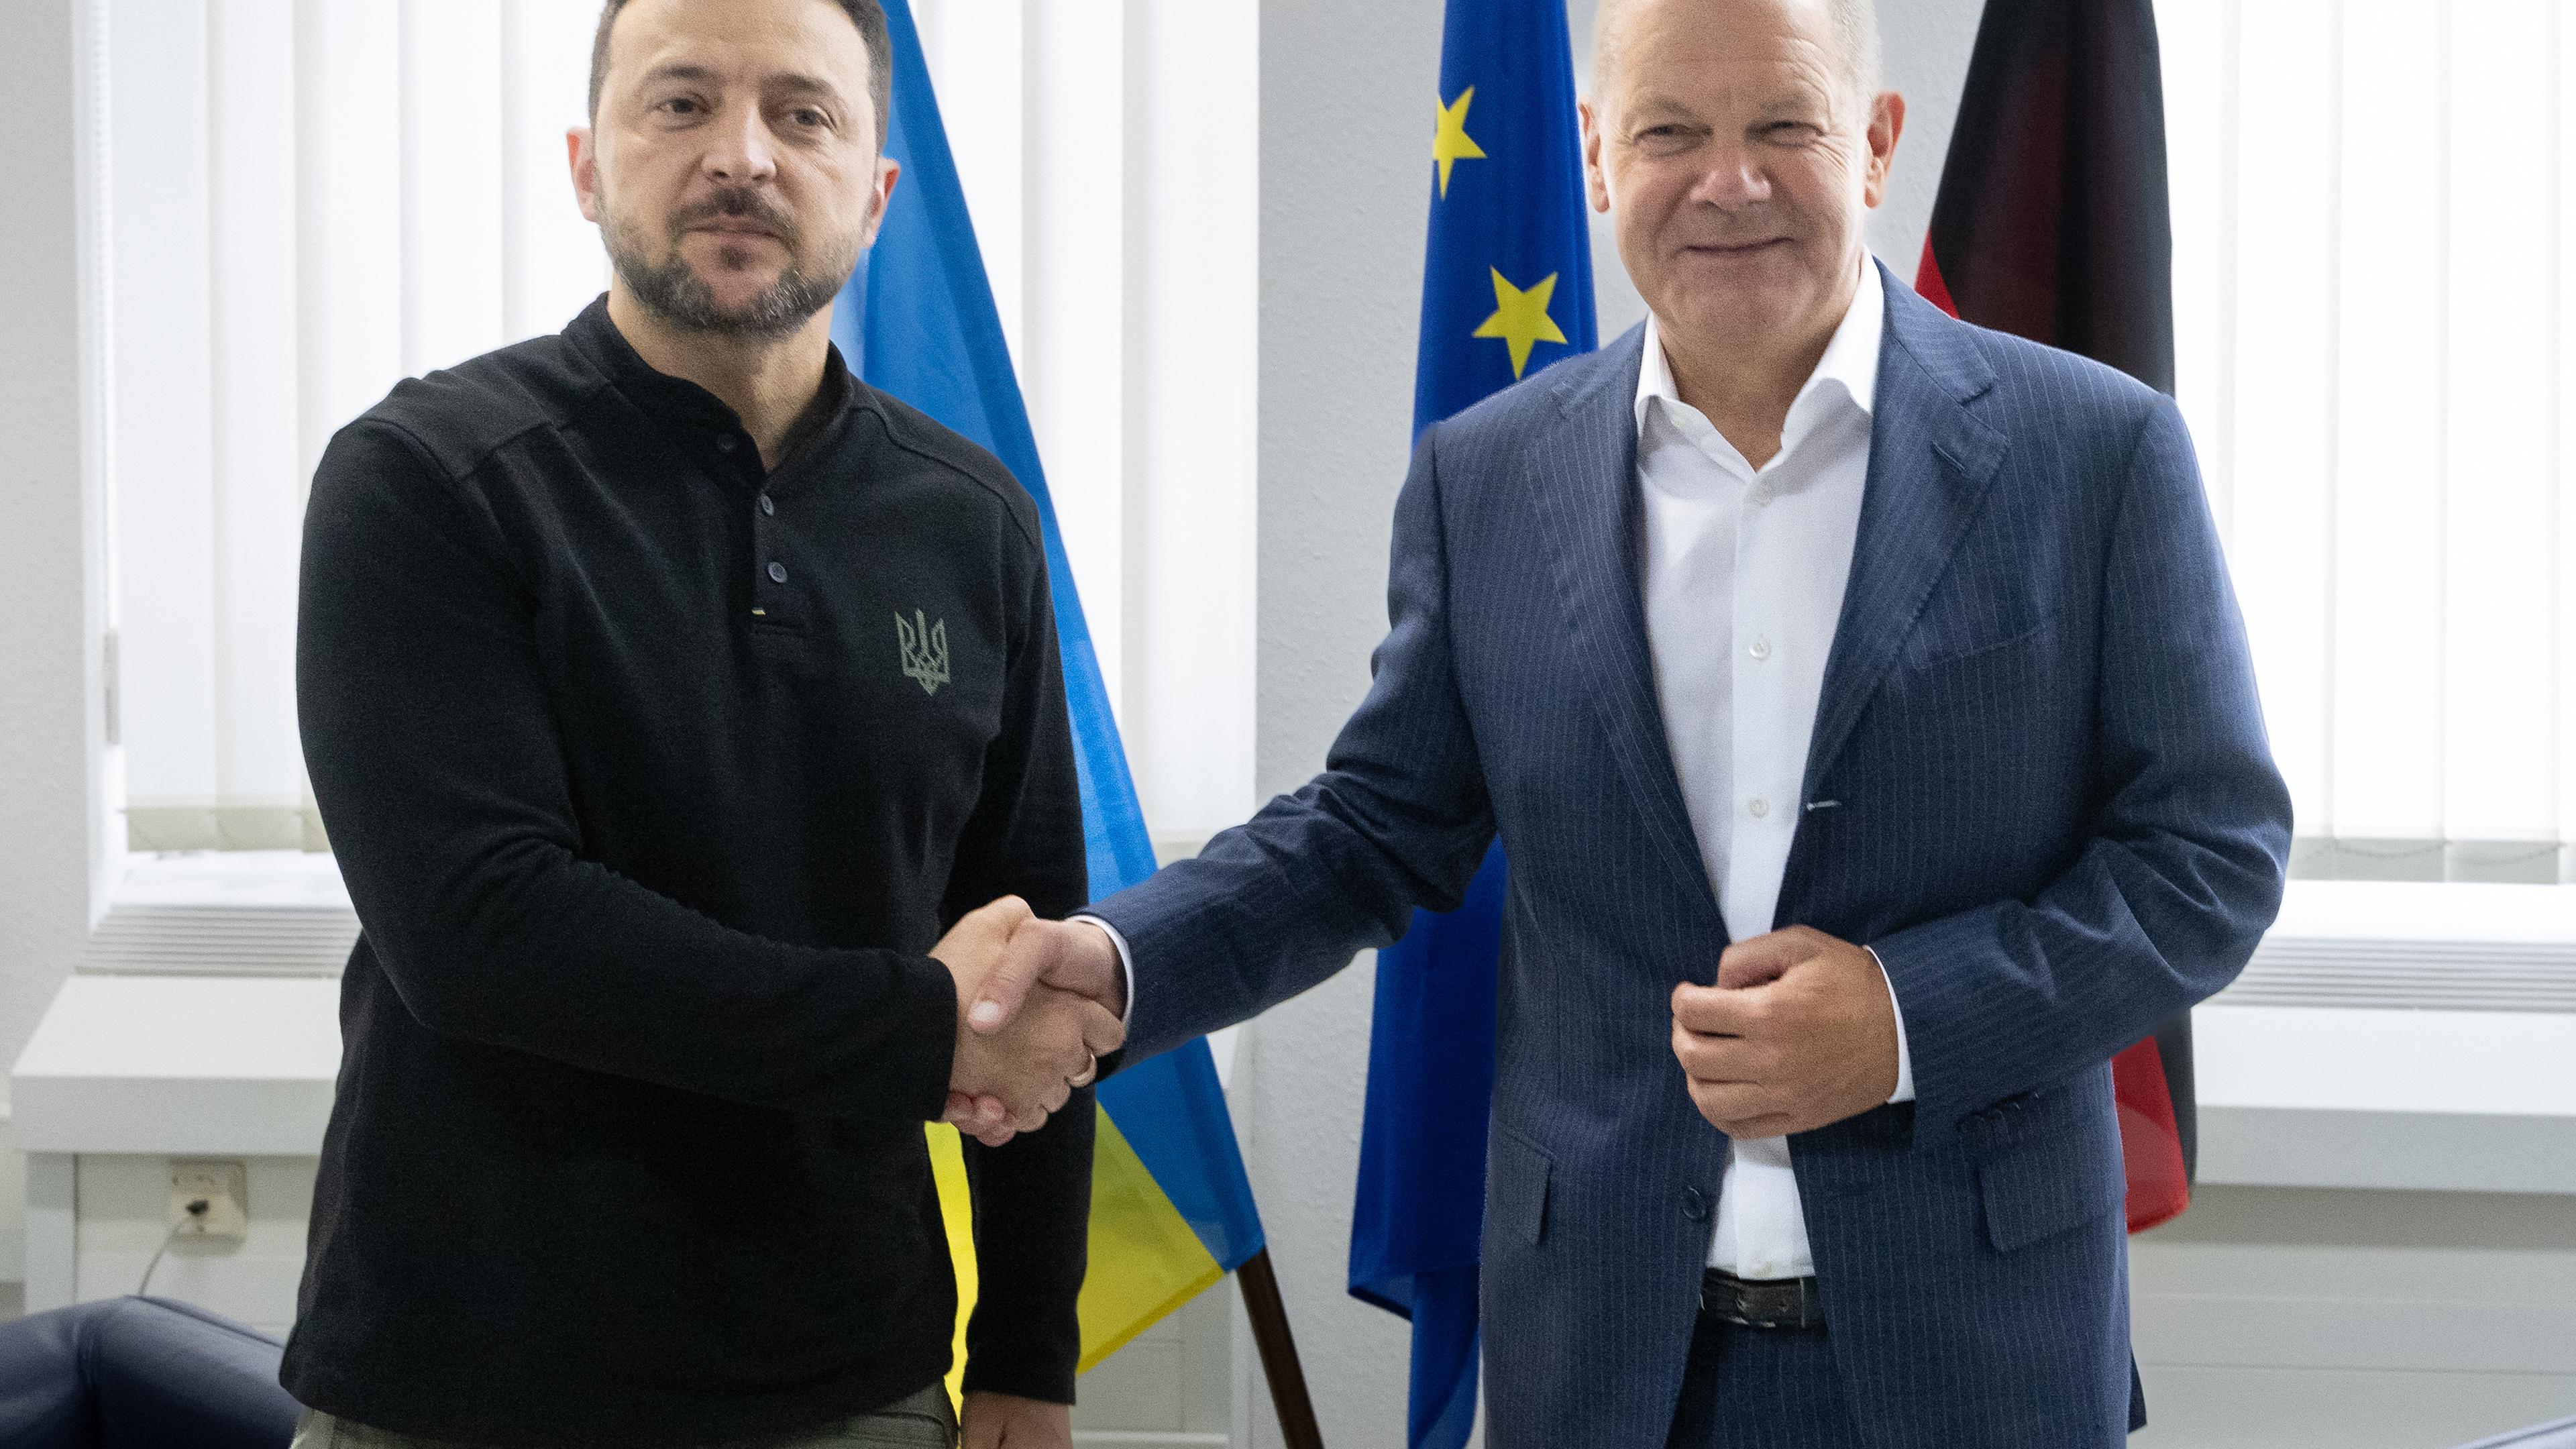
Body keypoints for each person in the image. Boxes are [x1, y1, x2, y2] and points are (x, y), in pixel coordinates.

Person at [947, 0, 2292, 1444]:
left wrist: (1904, 1022)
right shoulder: (1489, 480)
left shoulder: (2094, 452)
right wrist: (1113, 963)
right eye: (1670, 132)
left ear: (1879, 144)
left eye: (1785, 125)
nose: (1730, 182)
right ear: (1595, 156)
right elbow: (1369, 833)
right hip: (1605, 1359)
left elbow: (2208, 856)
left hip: (1975, 1354)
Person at [285, 1, 1119, 1445]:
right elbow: (483, 933)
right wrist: (916, 1030)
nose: (742, 156)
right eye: (680, 105)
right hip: (465, 1384)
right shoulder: (425, 482)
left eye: (803, 114)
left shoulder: (975, 523)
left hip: (858, 1385)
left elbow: (1031, 947)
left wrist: (1031, 1354)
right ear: (586, 164)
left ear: (876, 191)